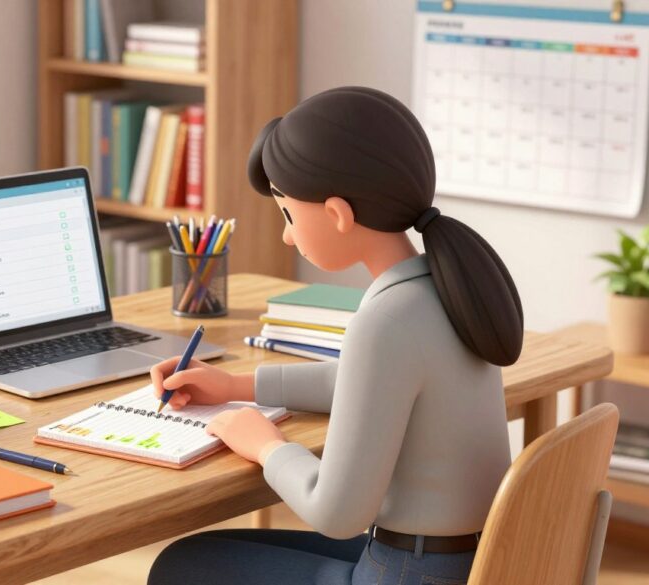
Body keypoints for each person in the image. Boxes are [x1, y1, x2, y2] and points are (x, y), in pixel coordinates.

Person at [146, 87, 523, 585]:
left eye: (288, 214)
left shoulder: (388, 319)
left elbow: (337, 513)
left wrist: (266, 446)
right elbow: (365, 384)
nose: (287, 234)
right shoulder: (448, 288)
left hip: (407, 574)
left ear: (337, 214)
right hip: (463, 560)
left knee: (180, 567)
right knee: (203, 552)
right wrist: (237, 386)